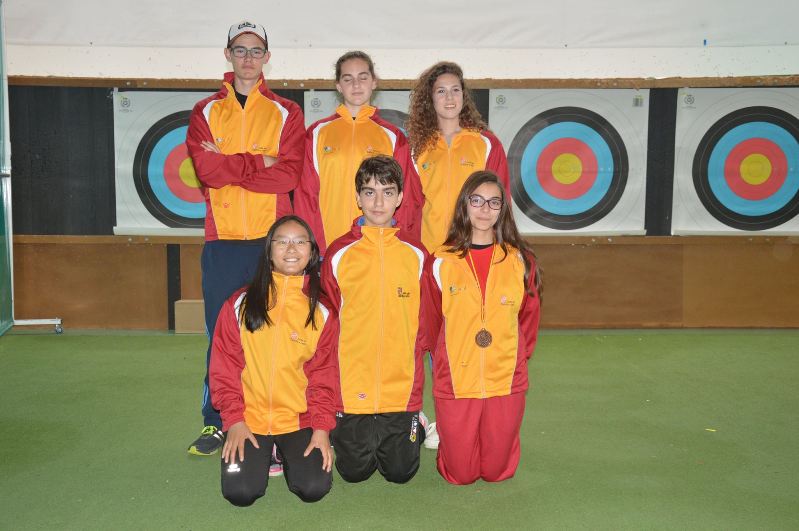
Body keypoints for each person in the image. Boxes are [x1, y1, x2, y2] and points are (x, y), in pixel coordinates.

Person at [185, 21, 305, 457]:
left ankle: (274, 417)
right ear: (228, 54)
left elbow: (288, 173)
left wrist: (232, 164)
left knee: (273, 331)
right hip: (222, 242)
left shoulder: (287, 112)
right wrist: (260, 163)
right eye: (241, 49)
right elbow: (205, 171)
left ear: (267, 57)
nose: (249, 58)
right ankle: (216, 422)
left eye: (257, 51)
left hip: (270, 244)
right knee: (220, 331)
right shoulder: (204, 111)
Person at [421, 170, 542, 485]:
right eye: (476, 200)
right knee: (459, 475)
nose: (484, 209)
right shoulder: (440, 261)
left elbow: (528, 320)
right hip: (458, 379)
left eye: (493, 202)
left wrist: (513, 358)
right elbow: (431, 321)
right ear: (464, 204)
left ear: (502, 209)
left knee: (496, 472)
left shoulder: (521, 261)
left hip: (505, 377)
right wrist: (449, 361)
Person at [209, 215, 337, 506]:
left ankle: (281, 452)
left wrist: (321, 429)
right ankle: (264, 453)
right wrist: (234, 421)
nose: (291, 249)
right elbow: (224, 369)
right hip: (249, 419)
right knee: (240, 493)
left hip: (298, 419)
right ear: (269, 250)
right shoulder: (239, 303)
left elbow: (325, 376)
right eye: (282, 241)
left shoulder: (322, 311)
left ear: (312, 252)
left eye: (300, 242)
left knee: (313, 488)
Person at [321, 155, 429, 483]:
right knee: (354, 472)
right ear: (357, 198)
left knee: (400, 473)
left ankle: (417, 422)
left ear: (399, 198)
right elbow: (327, 320)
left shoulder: (417, 253)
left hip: (401, 386)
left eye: (387, 192)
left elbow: (427, 321)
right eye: (369, 192)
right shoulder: (339, 253)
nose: (378, 201)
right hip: (352, 385)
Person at [294, 50, 423, 255]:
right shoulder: (317, 133)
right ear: (338, 86)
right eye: (348, 79)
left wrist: (398, 244)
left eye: (363, 77)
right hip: (328, 247)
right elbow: (306, 196)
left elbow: (405, 197)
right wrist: (313, 246)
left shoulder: (393, 136)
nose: (356, 85)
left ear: (374, 82)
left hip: (379, 247)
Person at [406, 61, 510, 253]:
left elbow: (501, 202)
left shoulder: (487, 144)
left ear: (464, 95)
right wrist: (411, 251)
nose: (449, 97)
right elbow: (409, 206)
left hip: (473, 249)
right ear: (430, 98)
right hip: (430, 251)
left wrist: (500, 246)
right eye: (441, 91)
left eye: (455, 90)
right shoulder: (416, 148)